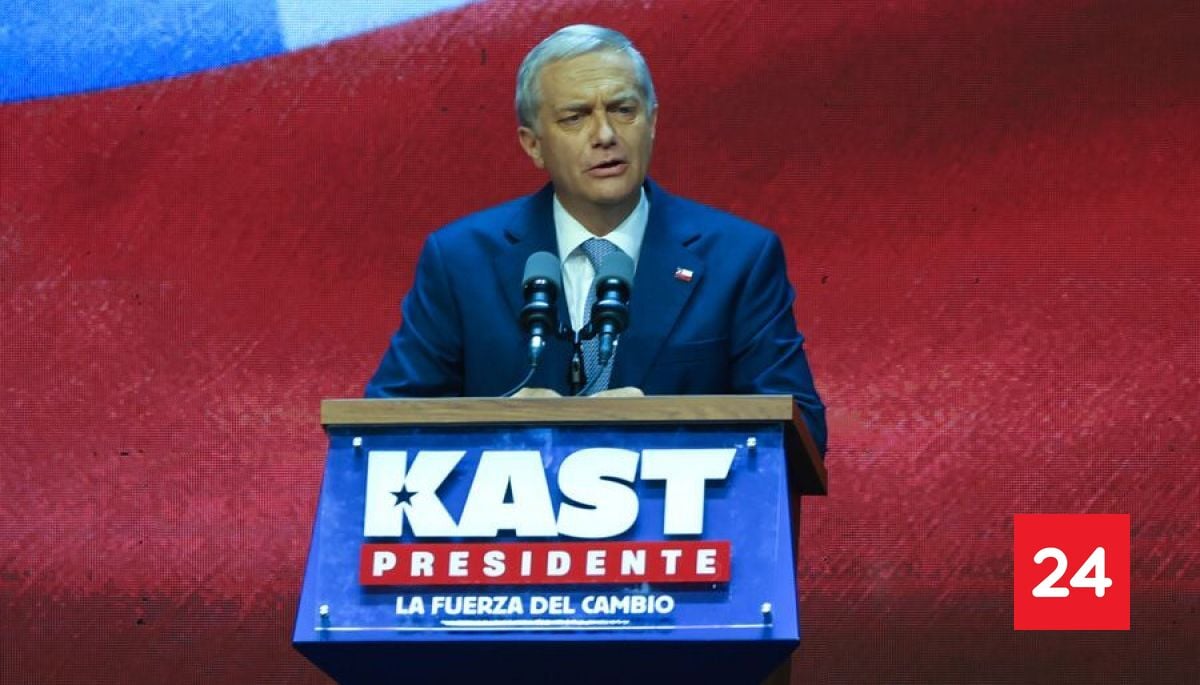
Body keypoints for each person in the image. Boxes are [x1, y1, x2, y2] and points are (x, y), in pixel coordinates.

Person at [365, 24, 827, 454]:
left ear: (652, 121)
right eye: (575, 117)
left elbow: (801, 430)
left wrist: (662, 427)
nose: (605, 135)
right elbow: (383, 428)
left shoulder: (739, 259)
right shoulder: (461, 261)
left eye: (623, 111)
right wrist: (500, 429)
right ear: (533, 144)